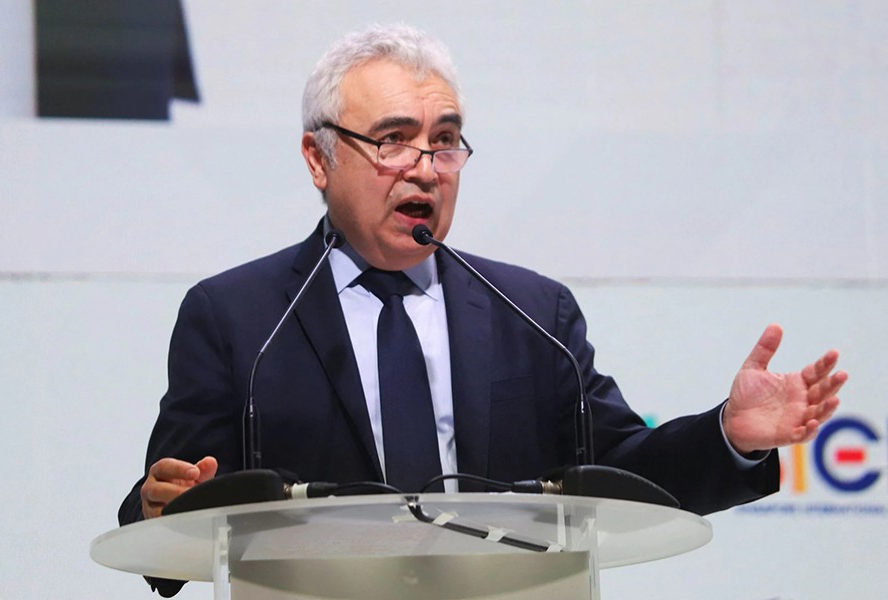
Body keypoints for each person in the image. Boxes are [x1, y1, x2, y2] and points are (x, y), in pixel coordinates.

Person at [119, 23, 847, 596]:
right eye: (394, 140)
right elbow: (171, 507)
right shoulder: (239, 317)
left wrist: (731, 433)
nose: (427, 168)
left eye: (444, 142)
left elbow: (625, 473)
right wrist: (162, 507)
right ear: (319, 158)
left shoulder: (532, 314)